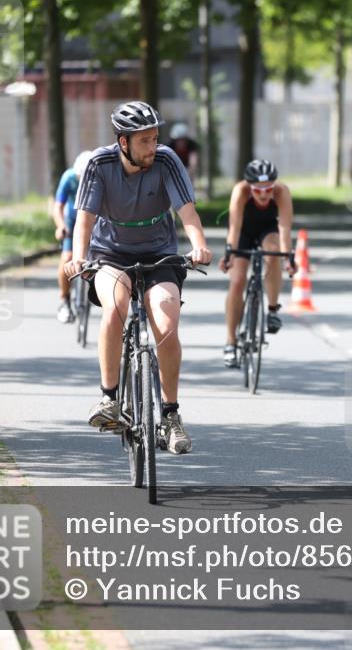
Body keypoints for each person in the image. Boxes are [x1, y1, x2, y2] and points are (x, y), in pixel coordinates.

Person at [65, 101, 213, 455]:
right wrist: (78, 257)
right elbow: (84, 220)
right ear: (123, 142)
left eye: (155, 138)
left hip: (160, 254)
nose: (153, 146)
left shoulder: (166, 160)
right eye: (144, 140)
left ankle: (170, 416)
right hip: (109, 254)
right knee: (115, 308)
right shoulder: (100, 165)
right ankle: (109, 399)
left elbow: (187, 212)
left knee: (166, 322)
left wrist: (199, 246)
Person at [218, 159, 295, 368]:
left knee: (273, 252)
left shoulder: (282, 192)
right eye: (258, 190)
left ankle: (271, 310)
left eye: (268, 189)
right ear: (249, 186)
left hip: (267, 230)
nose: (263, 195)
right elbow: (233, 229)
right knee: (237, 281)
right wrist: (229, 255)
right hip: (243, 231)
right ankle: (230, 341)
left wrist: (288, 258)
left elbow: (285, 231)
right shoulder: (240, 191)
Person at [52, 150, 93, 323]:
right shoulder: (68, 177)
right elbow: (58, 206)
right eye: (79, 177)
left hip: (94, 221)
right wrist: (60, 226)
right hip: (72, 221)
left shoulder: (100, 178)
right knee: (67, 257)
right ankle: (65, 300)